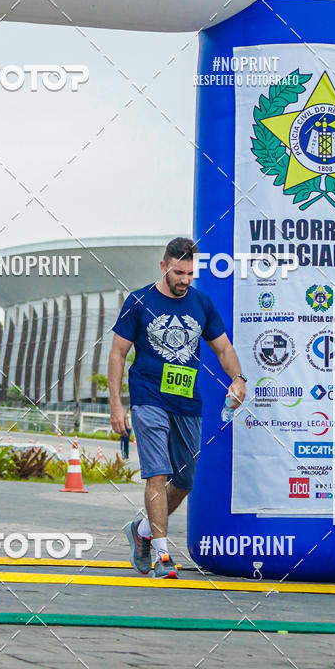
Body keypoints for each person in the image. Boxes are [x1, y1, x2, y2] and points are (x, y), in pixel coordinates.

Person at [108, 237, 246, 580]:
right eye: (179, 272)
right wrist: (116, 404)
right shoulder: (139, 301)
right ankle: (163, 556)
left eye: (190, 273)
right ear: (164, 266)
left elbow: (223, 348)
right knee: (157, 473)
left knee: (184, 481)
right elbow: (117, 354)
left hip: (187, 402)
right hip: (148, 397)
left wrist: (239, 378)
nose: (185, 279)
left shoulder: (201, 303)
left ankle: (141, 532)